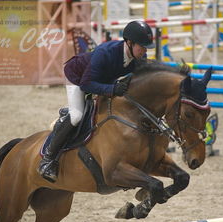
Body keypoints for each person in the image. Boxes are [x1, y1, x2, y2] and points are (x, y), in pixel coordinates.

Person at [38, 20, 155, 183]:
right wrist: (113, 89)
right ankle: (48, 160)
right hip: (77, 78)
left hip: (103, 80)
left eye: (145, 47)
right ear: (129, 42)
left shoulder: (138, 56)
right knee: (77, 116)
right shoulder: (105, 53)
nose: (144, 51)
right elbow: (87, 84)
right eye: (141, 46)